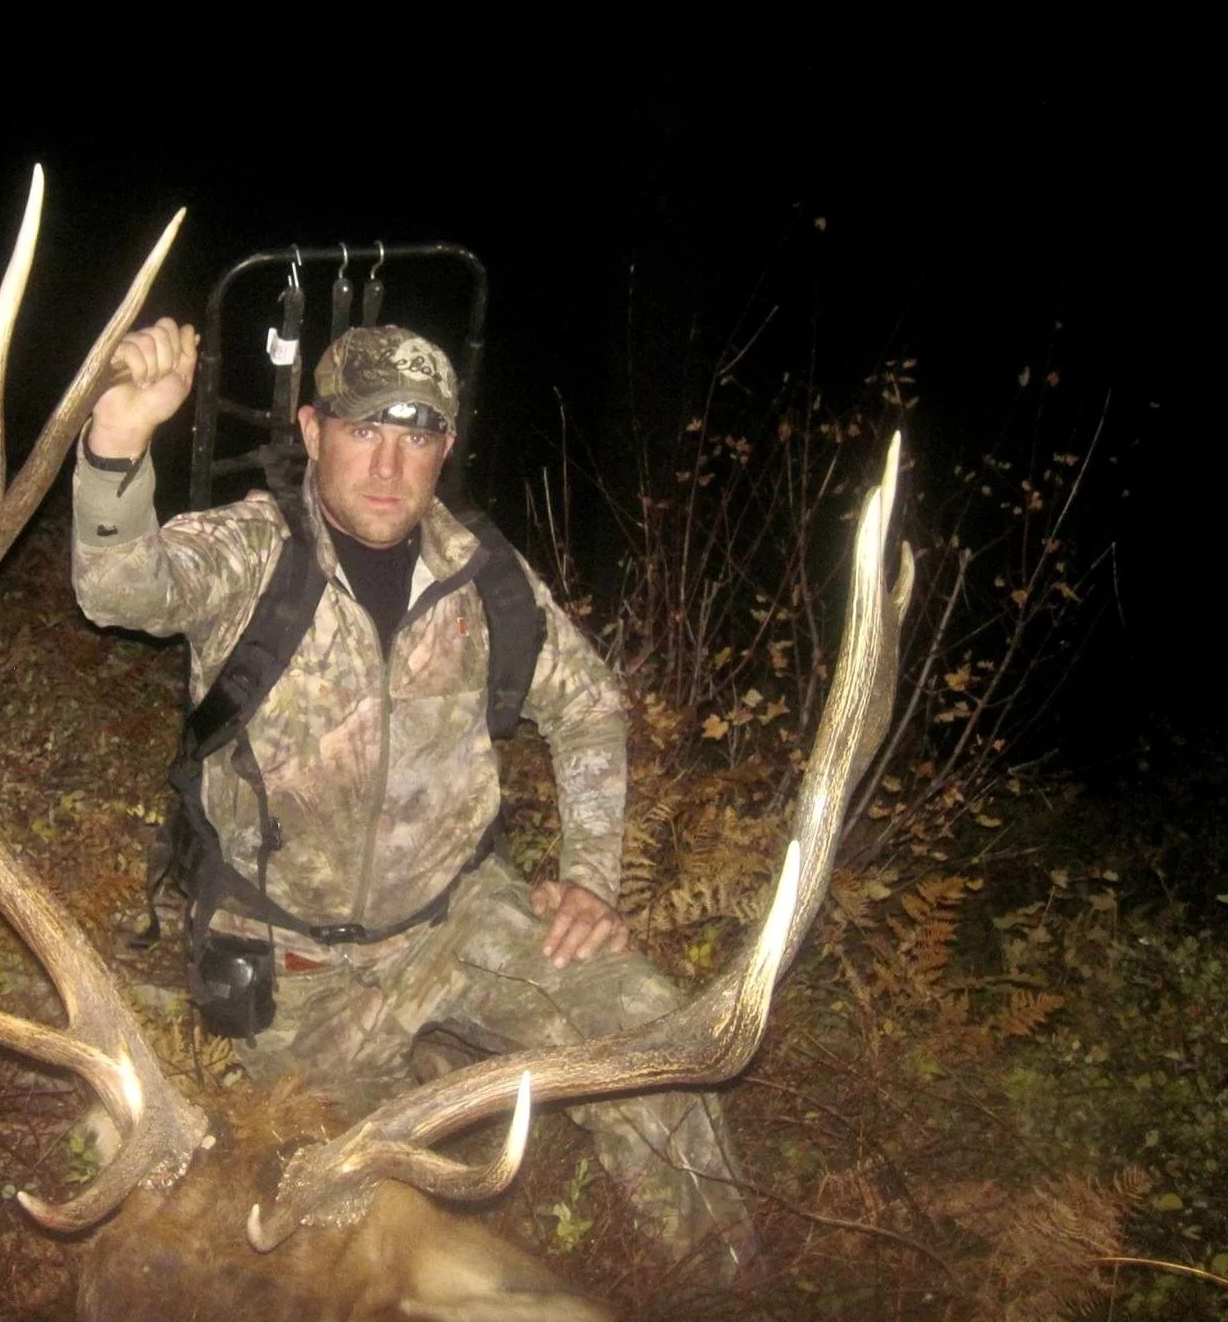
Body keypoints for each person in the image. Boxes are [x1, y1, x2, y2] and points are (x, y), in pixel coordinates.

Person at [71, 317, 755, 1277]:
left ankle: (723, 1284)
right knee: (342, 1216)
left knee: (648, 1032)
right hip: (296, 969)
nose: (390, 463)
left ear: (446, 445)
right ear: (312, 432)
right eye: (363, 430)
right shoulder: (245, 553)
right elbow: (120, 591)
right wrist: (117, 442)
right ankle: (435, 1073)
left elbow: (591, 705)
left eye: (419, 434)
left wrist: (591, 876)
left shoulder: (487, 578)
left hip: (454, 926)